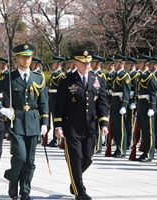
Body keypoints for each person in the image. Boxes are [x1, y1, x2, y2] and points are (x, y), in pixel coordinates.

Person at [0, 44, 48, 200]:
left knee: (30, 161)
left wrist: (45, 122)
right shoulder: (9, 77)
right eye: (23, 57)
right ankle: (12, 180)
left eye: (28, 57)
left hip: (33, 121)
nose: (26, 60)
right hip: (16, 121)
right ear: (17, 58)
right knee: (20, 156)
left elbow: (44, 101)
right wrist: (2, 109)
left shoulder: (38, 77)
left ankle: (25, 191)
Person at [54, 50, 109, 200]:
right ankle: (80, 191)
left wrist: (104, 123)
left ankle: (75, 181)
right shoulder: (67, 80)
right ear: (76, 63)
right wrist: (58, 126)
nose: (86, 65)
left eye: (88, 63)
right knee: (75, 158)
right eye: (83, 63)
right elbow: (59, 105)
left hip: (90, 127)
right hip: (71, 127)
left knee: (88, 157)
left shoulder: (96, 79)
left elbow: (102, 103)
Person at [136, 54, 157, 162]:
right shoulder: (141, 75)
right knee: (144, 130)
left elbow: (153, 93)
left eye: (141, 62)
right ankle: (145, 151)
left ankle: (149, 153)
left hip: (148, 105)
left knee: (149, 131)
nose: (138, 64)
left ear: (146, 64)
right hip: (142, 104)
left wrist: (152, 107)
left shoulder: (150, 76)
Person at [110, 55, 131, 157]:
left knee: (121, 128)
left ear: (122, 63)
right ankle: (118, 148)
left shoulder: (125, 76)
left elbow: (126, 92)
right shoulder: (115, 75)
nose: (115, 64)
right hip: (114, 103)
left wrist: (124, 105)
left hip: (120, 104)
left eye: (117, 62)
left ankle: (122, 150)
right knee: (116, 128)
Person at [48, 56, 66, 147]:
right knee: (53, 118)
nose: (52, 64)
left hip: (56, 98)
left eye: (54, 63)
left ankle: (57, 139)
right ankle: (55, 138)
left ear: (59, 64)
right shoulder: (54, 74)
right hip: (52, 98)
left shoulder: (61, 75)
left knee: (57, 118)